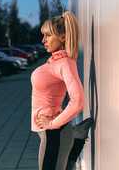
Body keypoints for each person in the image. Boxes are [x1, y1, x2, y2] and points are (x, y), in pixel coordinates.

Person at [31, 11, 93, 170]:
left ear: (63, 37)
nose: (43, 40)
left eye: (48, 35)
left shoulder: (65, 63)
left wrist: (52, 124)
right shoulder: (55, 61)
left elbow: (78, 101)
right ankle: (77, 136)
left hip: (54, 133)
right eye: (43, 35)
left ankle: (76, 136)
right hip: (51, 133)